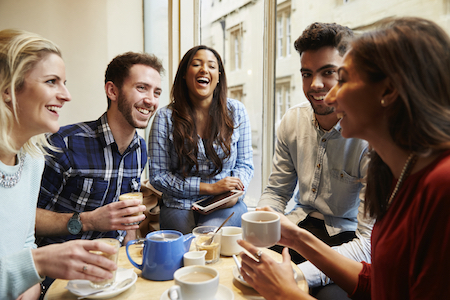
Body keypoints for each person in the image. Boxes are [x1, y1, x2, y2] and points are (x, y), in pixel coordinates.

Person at [238, 17, 450, 299]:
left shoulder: (441, 186)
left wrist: (288, 292)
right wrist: (296, 238)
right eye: (306, 74)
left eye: (342, 78)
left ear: (388, 91)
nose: (328, 93)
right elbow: (383, 281)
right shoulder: (400, 174)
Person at [0, 29, 117, 300]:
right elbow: (32, 256)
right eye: (52, 82)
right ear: (8, 89)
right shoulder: (67, 145)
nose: (66, 95)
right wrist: (39, 264)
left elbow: (25, 241)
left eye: (64, 82)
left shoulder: (32, 160)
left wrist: (32, 284)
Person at [257, 22, 373, 298]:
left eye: (328, 72)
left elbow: (368, 243)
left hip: (347, 238)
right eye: (307, 74)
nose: (315, 84)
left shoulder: (370, 138)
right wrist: (261, 223)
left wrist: (298, 275)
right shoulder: (292, 120)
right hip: (299, 223)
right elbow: (276, 191)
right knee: (244, 271)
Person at [36, 51, 163, 293]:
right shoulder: (65, 143)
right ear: (112, 91)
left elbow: (128, 223)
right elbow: (28, 220)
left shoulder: (140, 150)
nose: (151, 100)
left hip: (114, 269)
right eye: (142, 88)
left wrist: (135, 256)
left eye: (156, 92)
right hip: (62, 274)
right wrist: (89, 221)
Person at [148, 45, 254, 234]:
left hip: (225, 203)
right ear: (184, 74)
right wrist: (209, 188)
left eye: (211, 66)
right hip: (178, 204)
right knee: (186, 247)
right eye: (196, 64)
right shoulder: (164, 117)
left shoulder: (236, 111)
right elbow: (158, 176)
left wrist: (235, 194)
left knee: (209, 236)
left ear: (219, 76)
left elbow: (245, 165)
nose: (204, 69)